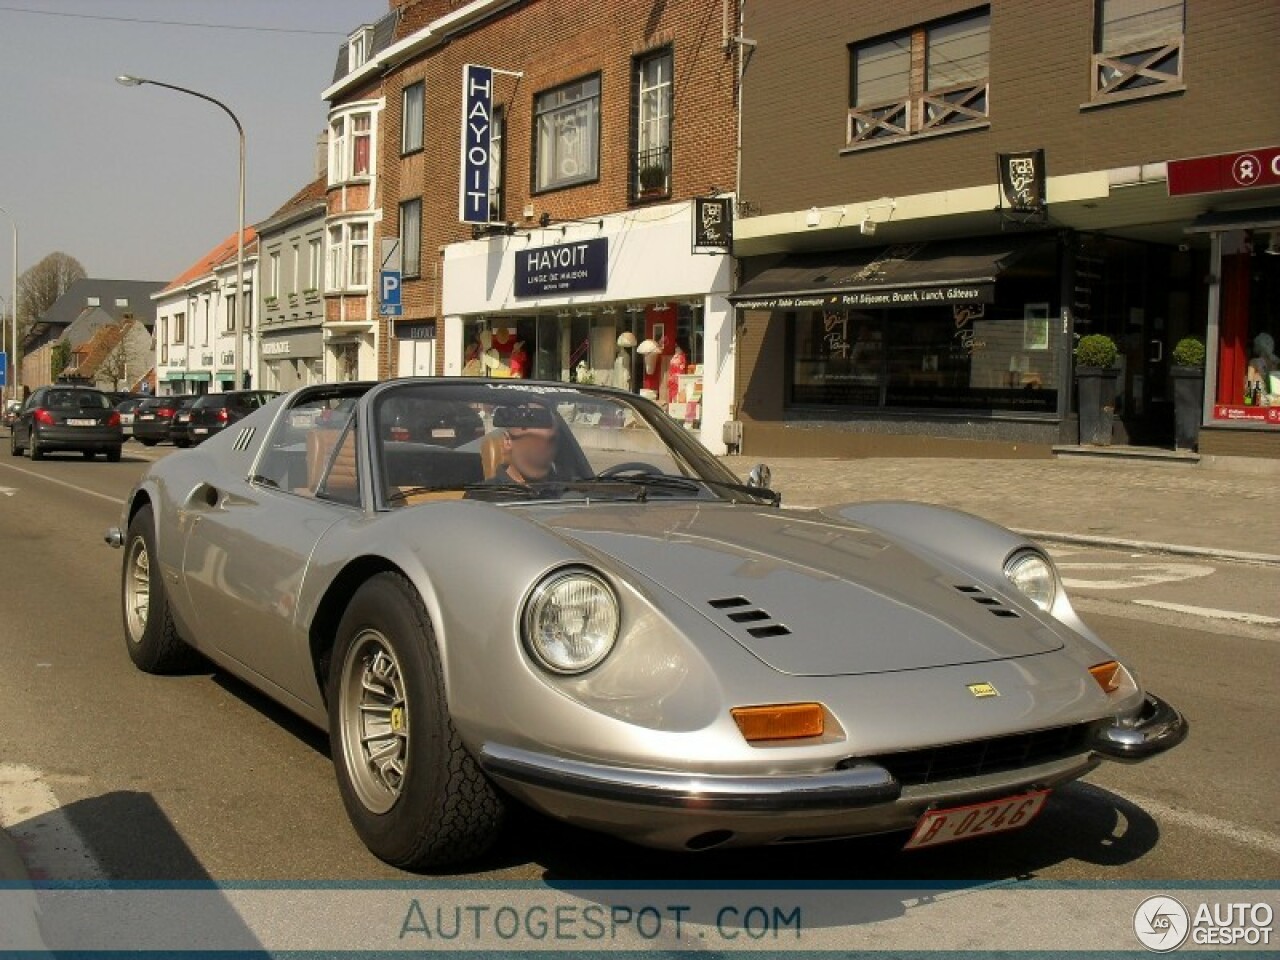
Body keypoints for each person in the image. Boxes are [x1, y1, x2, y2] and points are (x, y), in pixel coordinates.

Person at [491, 413, 559, 483]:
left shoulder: (565, 487)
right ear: (507, 441)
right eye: (533, 442)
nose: (543, 451)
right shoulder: (485, 492)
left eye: (550, 441)